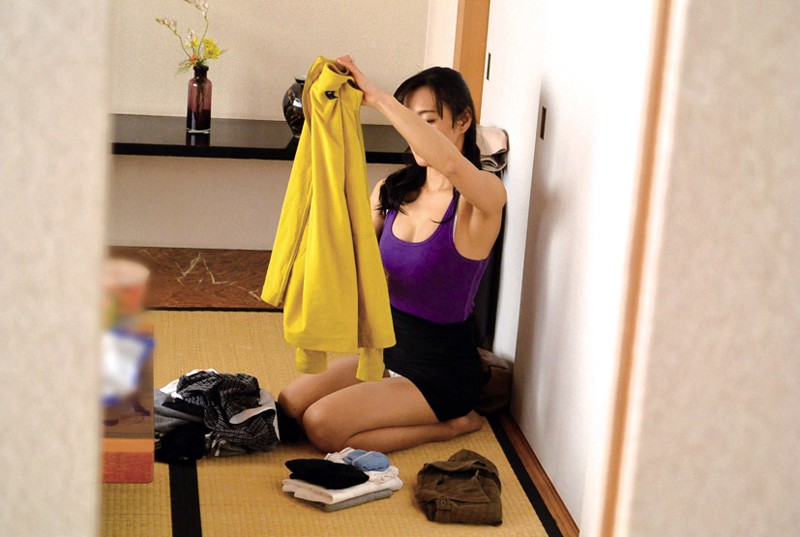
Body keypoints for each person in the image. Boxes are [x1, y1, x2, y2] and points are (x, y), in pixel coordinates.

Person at [277, 55, 507, 453]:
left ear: (464, 121)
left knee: (322, 427)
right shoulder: (391, 191)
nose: (414, 133)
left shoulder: (483, 201)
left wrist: (379, 98)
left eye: (427, 121)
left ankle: (452, 425)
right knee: (291, 406)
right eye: (409, 120)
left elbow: (451, 164)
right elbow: (352, 259)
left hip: (441, 372)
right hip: (386, 352)